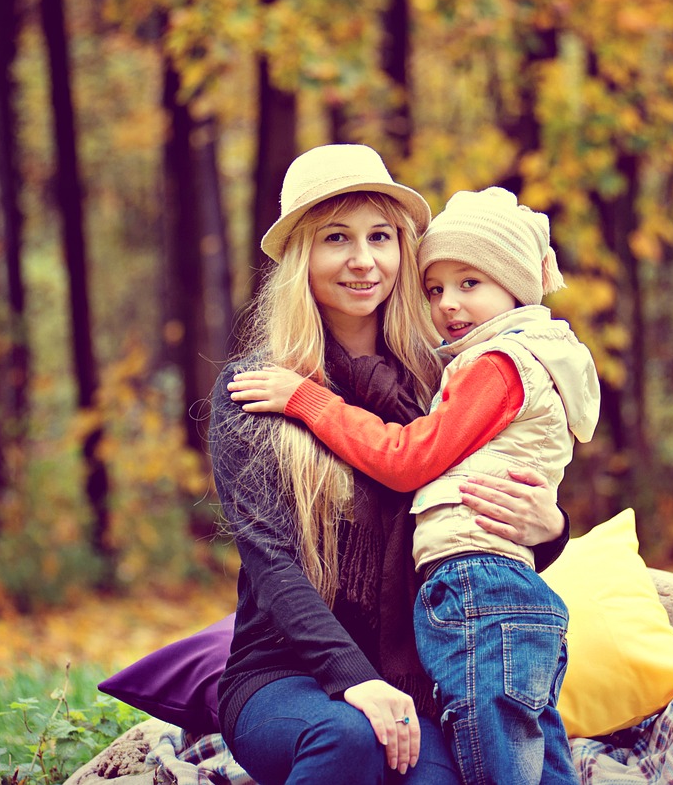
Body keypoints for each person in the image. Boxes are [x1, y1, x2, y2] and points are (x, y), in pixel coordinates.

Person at [211, 144, 572, 785]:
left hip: (421, 669)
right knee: (349, 739)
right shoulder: (259, 388)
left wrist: (548, 529)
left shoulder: (443, 384)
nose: (363, 260)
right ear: (301, 258)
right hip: (287, 671)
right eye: (336, 239)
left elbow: (464, 540)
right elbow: (271, 563)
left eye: (381, 236)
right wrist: (355, 681)